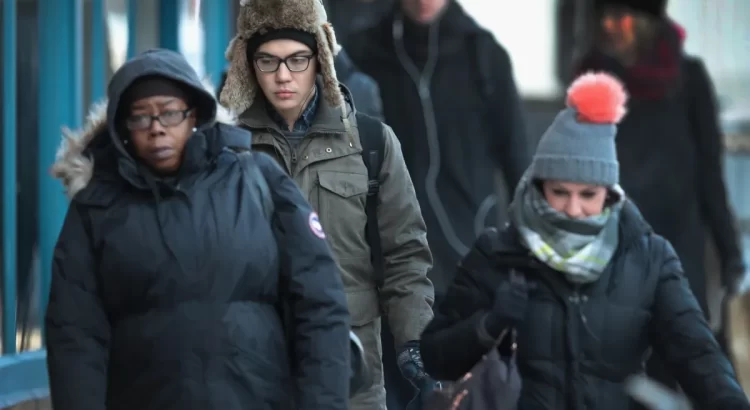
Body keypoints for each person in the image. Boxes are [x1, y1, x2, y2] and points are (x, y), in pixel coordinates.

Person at [419, 72, 750, 410]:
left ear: (609, 193)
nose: (573, 209)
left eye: (588, 195)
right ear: (538, 187)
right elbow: (433, 357)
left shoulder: (648, 259)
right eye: (559, 192)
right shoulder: (497, 254)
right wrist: (487, 325)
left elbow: (697, 354)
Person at [45, 48, 351, 410]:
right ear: (121, 129)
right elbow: (75, 334)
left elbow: (319, 304)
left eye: (170, 113)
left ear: (195, 115)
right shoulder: (96, 208)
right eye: (140, 118)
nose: (157, 128)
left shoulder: (257, 179)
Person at [219, 1, 437, 409]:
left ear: (320, 59)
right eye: (267, 61)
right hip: (250, 368)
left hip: (349, 372)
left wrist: (415, 341)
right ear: (250, 65)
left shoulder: (371, 143)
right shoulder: (225, 146)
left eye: (297, 60)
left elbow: (404, 253)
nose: (283, 75)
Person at [574, 0, 746, 394]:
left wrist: (730, 253)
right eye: (606, 16)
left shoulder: (688, 80)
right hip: (612, 259)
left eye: (622, 16)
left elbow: (710, 175)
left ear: (647, 22)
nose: (611, 25)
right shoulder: (592, 81)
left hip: (677, 256)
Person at [345, 0, 531, 303]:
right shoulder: (364, 53)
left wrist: (526, 249)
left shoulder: (484, 56)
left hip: (469, 252)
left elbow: (516, 158)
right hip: (387, 259)